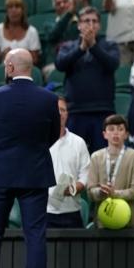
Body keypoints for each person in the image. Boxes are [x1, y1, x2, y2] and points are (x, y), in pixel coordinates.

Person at [0, 49, 61, 268]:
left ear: (11, 68)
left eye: (5, 66)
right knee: (35, 235)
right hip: (34, 173)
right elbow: (53, 134)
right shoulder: (48, 99)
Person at [55, 7, 119, 152]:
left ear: (100, 25)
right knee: (74, 157)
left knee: (103, 159)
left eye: (94, 21)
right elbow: (60, 64)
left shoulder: (110, 45)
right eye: (86, 21)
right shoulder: (68, 46)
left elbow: (112, 64)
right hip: (76, 112)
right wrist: (82, 48)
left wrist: (94, 46)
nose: (91, 24)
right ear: (79, 25)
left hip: (103, 111)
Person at [86, 114, 134, 229]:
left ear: (126, 134)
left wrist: (115, 193)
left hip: (129, 221)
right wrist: (100, 192)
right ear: (104, 134)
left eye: (120, 129)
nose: (115, 133)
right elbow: (90, 191)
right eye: (111, 129)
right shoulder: (96, 157)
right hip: (103, 220)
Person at [46, 97, 90, 229]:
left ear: (67, 114)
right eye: (56, 110)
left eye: (63, 110)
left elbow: (85, 174)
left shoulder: (78, 142)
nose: (59, 113)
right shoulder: (39, 141)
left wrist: (74, 188)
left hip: (72, 211)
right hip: (44, 211)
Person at [0, 0, 41, 68]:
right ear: (6, 11)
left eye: (17, 7)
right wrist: (3, 54)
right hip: (3, 69)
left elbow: (35, 60)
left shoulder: (32, 31)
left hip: (25, 70)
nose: (14, 10)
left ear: (22, 11)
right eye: (10, 7)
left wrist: (21, 57)